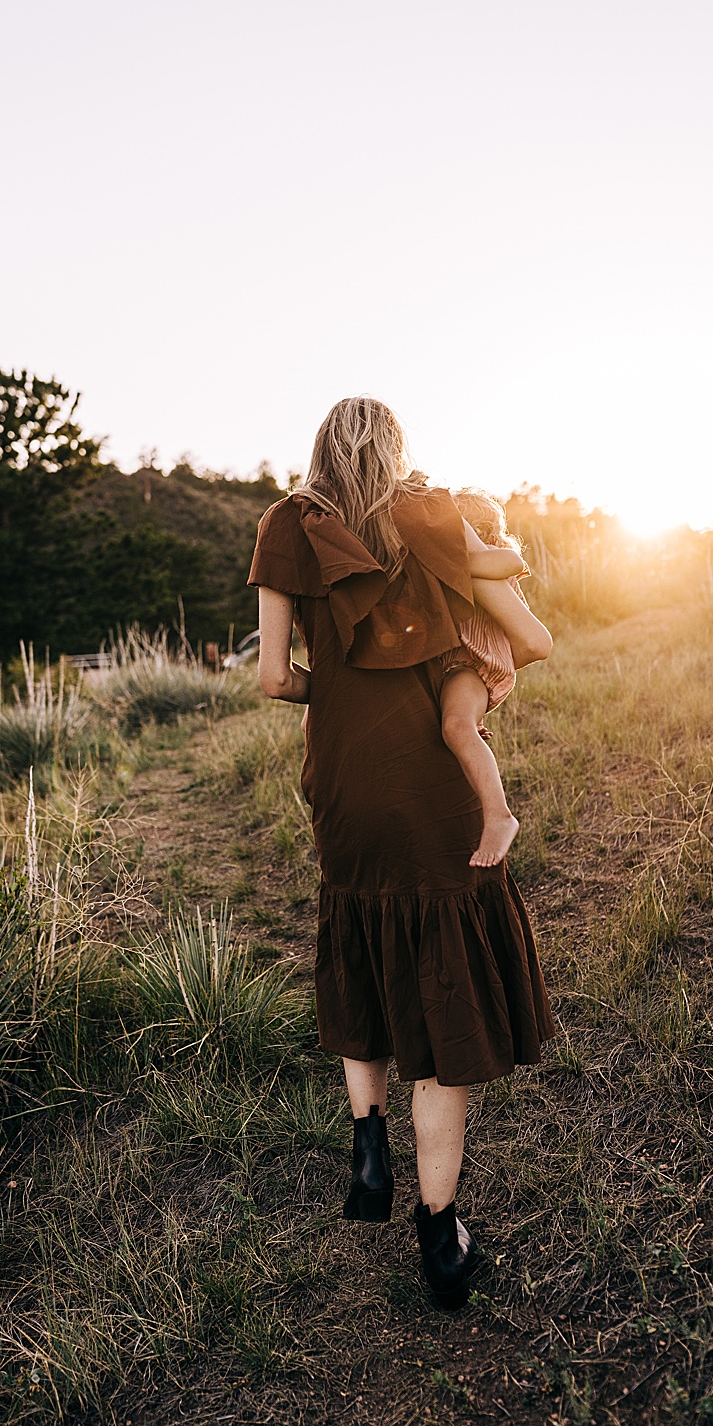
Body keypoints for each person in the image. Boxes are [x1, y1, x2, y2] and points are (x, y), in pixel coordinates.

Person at [248, 396, 555, 1310]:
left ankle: (367, 1142)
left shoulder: (284, 526)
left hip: (343, 791)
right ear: (396, 451)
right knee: (444, 1014)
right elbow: (532, 638)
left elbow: (271, 677)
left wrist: (335, 698)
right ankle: (440, 1240)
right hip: (430, 795)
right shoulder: (429, 520)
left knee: (361, 949)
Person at [438, 488, 530, 868]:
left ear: (488, 537)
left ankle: (499, 814)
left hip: (473, 664)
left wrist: (471, 556)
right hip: (451, 667)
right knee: (459, 725)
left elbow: (511, 561)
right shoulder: (451, 568)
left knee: (456, 726)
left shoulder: (496, 562)